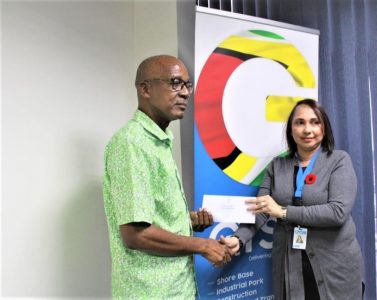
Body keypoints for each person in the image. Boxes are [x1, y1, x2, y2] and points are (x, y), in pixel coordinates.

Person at [103, 55, 231, 299]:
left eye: (187, 85)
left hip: (177, 289)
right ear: (145, 89)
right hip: (150, 292)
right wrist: (203, 245)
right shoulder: (131, 143)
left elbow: (148, 216)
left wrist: (186, 221)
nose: (184, 93)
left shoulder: (158, 141)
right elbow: (135, 234)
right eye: (175, 83)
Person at [223, 99, 363, 299]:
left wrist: (283, 212)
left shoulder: (339, 161)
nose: (308, 129)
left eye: (315, 122)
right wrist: (238, 239)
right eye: (300, 122)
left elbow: (338, 212)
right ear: (291, 129)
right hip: (290, 261)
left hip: (335, 265)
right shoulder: (277, 165)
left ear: (324, 128)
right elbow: (261, 209)